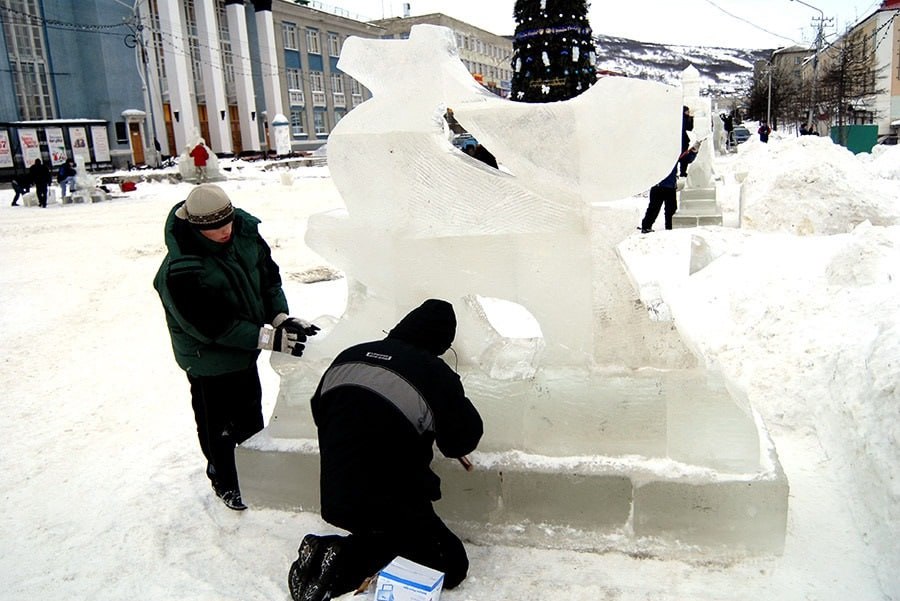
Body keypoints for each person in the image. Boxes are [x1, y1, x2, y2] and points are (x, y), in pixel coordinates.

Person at [288, 299, 483, 601]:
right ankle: (338, 555)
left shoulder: (347, 356)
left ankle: (354, 546)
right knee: (451, 563)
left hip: (335, 496)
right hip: (391, 502)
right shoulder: (432, 370)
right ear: (441, 343)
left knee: (385, 531)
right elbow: (462, 440)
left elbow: (320, 412)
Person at [153, 184, 319, 511]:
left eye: (227, 222)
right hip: (208, 359)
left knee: (248, 413)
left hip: (243, 350)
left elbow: (268, 279)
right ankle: (225, 477)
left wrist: (280, 317)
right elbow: (213, 326)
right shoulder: (181, 270)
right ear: (197, 227)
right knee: (219, 424)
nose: (225, 230)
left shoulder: (243, 235)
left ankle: (253, 467)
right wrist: (269, 338)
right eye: (215, 228)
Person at [639, 163, 678, 233]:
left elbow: (686, 158)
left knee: (671, 209)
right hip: (658, 186)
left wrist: (693, 152)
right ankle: (646, 227)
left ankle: (670, 228)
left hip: (670, 186)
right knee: (654, 208)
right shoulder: (658, 154)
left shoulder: (675, 152)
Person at [679, 105, 695, 177]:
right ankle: (682, 172)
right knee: (684, 157)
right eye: (687, 111)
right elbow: (689, 129)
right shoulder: (686, 120)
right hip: (684, 141)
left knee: (681, 157)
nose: (688, 112)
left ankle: (681, 172)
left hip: (682, 141)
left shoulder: (680, 119)